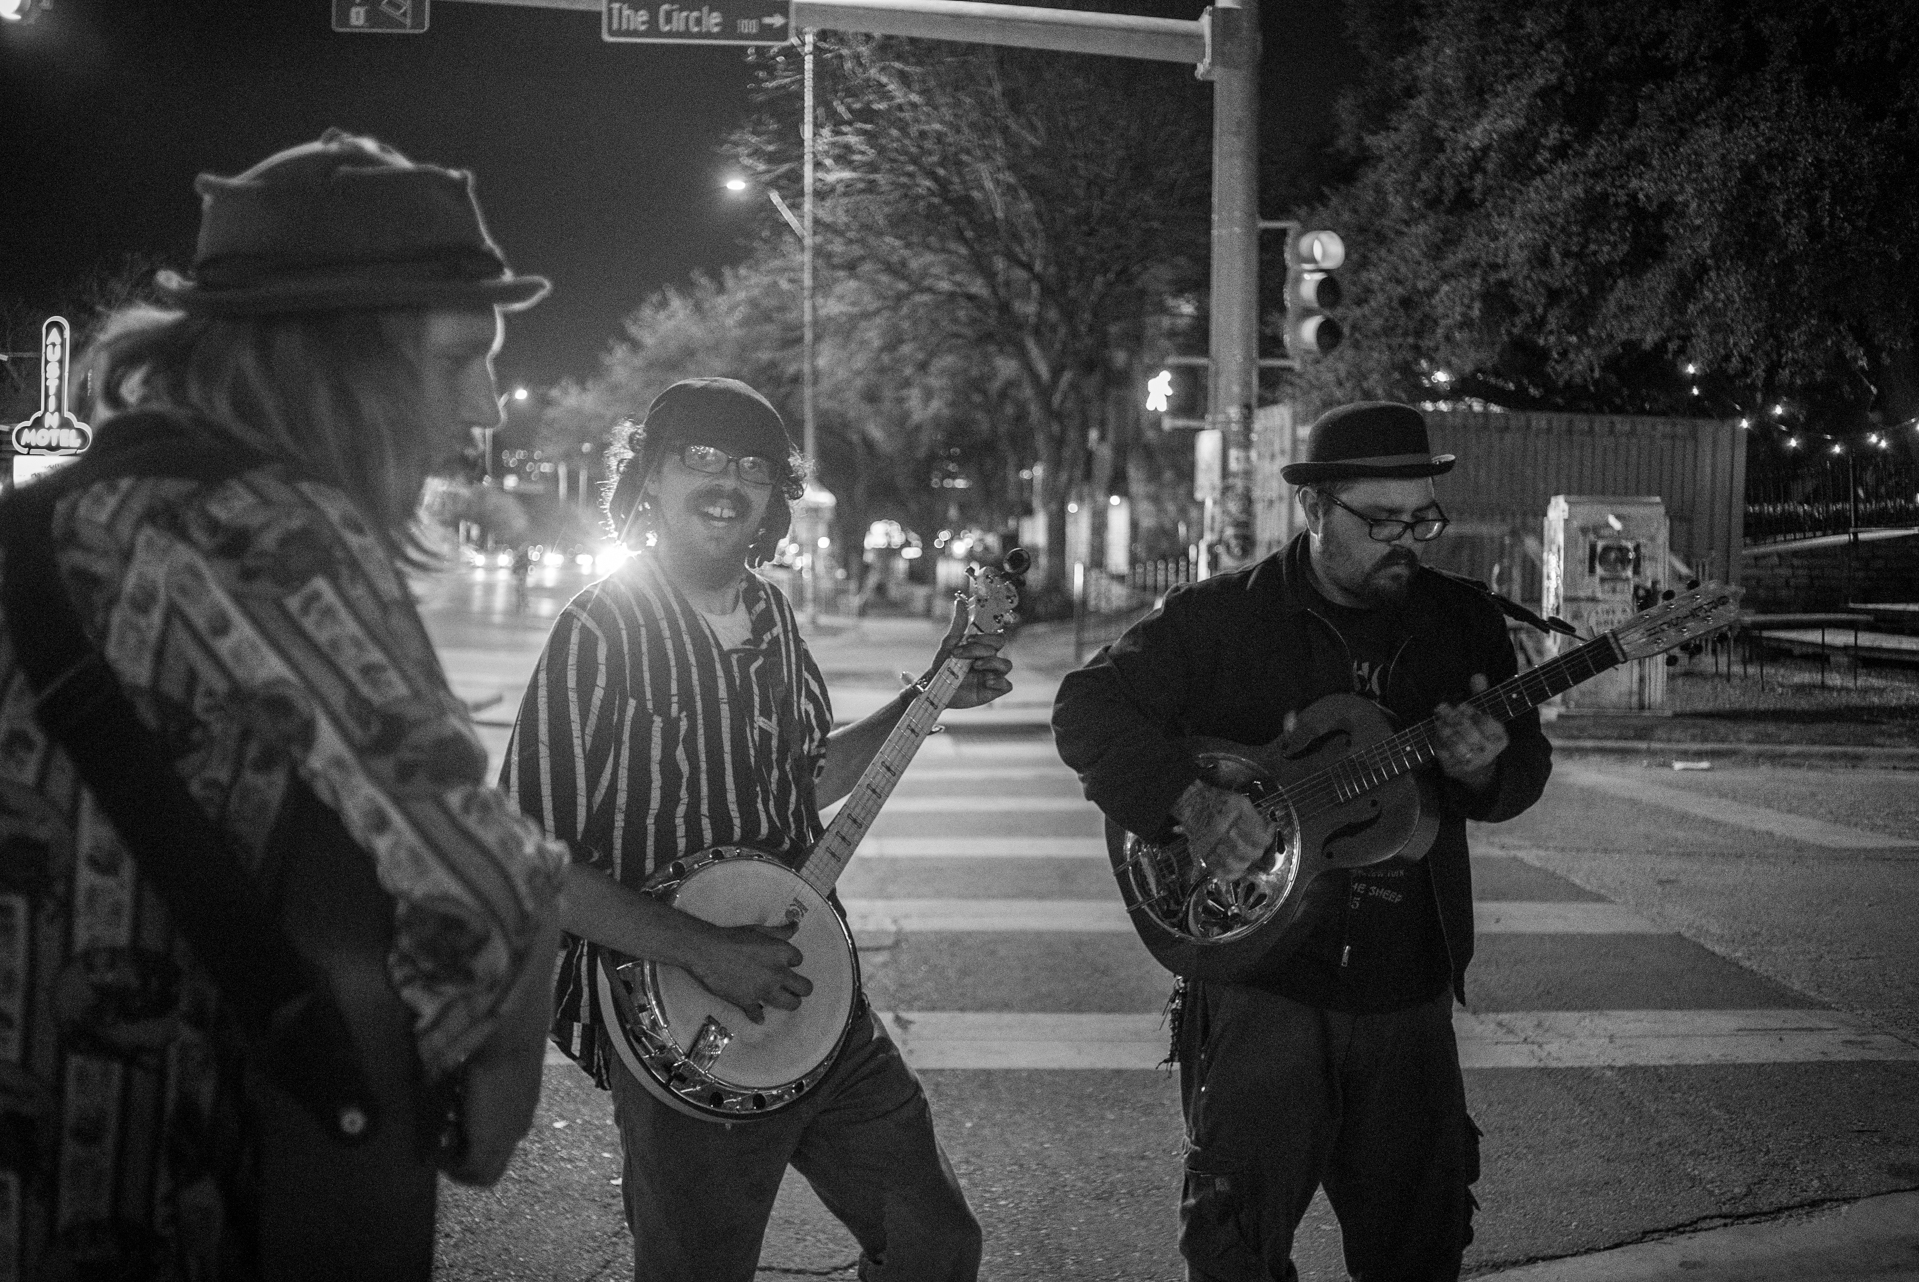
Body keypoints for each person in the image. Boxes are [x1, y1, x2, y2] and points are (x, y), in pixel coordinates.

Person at [0, 130, 568, 1279]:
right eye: (463, 356)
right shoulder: (271, 529)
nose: (490, 408)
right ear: (345, 355)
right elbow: (483, 887)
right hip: (158, 1191)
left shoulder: (59, 524)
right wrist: (502, 1065)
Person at [502, 377, 1010, 1282]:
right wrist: (700, 947)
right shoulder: (599, 631)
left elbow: (800, 777)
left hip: (810, 982)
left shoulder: (773, 618)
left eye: (754, 467)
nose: (727, 481)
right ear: (648, 480)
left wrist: (924, 696)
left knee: (936, 1243)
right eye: (699, 458)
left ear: (776, 499)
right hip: (675, 1014)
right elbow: (527, 859)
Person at [1052, 402, 1554, 1282]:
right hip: (1262, 987)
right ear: (1314, 509)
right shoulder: (1219, 619)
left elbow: (1520, 773)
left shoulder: (1461, 623)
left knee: (1420, 1249)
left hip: (1408, 989)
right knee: (1235, 1247)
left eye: (1421, 520)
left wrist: (1482, 769)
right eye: (1380, 520)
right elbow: (1087, 708)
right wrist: (1188, 803)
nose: (1406, 542)